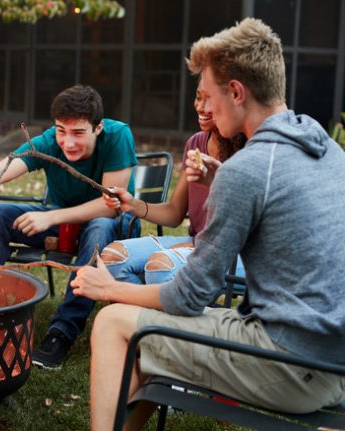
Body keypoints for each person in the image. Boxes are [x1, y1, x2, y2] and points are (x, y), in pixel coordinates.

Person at [72, 18, 345, 431]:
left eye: (210, 97)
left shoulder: (250, 169)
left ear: (236, 92)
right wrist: (224, 182)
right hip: (332, 359)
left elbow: (188, 297)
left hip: (290, 366)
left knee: (113, 323)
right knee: (149, 343)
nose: (207, 110)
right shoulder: (326, 149)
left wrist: (108, 288)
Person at [0, 84, 139, 369]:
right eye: (61, 131)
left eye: (78, 133)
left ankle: (62, 332)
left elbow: (111, 205)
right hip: (63, 223)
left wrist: (50, 217)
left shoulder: (118, 135)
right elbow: (0, 169)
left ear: (98, 128)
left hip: (115, 225)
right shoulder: (47, 142)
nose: (68, 142)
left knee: (98, 228)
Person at [100, 78, 247, 288]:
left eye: (210, 99)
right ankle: (146, 316)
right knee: (114, 258)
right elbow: (174, 213)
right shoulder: (196, 144)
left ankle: (162, 317)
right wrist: (132, 204)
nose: (200, 107)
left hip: (237, 255)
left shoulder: (251, 149)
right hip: (198, 244)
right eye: (198, 97)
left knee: (160, 267)